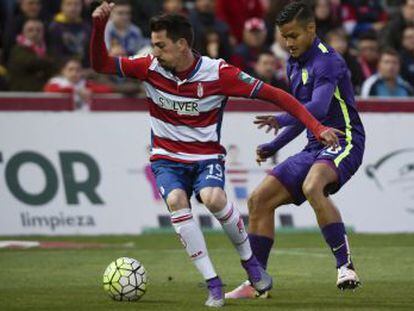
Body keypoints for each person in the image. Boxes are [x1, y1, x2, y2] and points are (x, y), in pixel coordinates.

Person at [90, 2, 340, 307]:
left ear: (182, 45)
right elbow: (101, 64)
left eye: (160, 45)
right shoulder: (148, 67)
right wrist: (98, 26)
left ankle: (250, 264)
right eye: (153, 45)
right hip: (166, 157)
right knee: (175, 202)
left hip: (206, 157)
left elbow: (277, 95)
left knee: (213, 199)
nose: (154, 51)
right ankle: (213, 283)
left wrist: (315, 127)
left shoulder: (218, 72)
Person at [226, 1, 365, 299]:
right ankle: (256, 283)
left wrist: (279, 119)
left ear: (311, 29)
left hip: (344, 139)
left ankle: (345, 266)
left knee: (313, 185)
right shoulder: (294, 63)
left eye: (293, 36)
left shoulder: (327, 61)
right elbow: (306, 118)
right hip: (315, 144)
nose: (288, 43)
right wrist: (273, 145)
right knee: (258, 200)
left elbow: (317, 107)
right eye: (284, 37)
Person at [7, 19, 55, 91]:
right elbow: (30, 62)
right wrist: (47, 62)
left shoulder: (48, 50)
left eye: (38, 30)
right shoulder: (17, 49)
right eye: (30, 30)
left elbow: (55, 65)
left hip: (43, 92)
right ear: (23, 33)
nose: (35, 33)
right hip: (22, 93)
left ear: (43, 33)